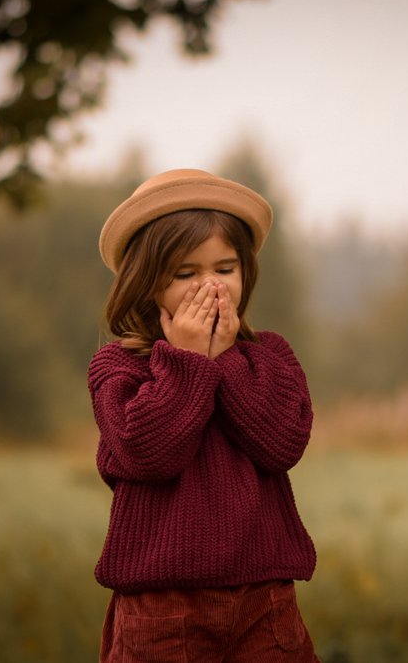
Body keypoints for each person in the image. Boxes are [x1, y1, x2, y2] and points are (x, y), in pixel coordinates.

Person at [89, 169, 319, 662]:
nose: (210, 287)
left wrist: (228, 358)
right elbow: (149, 454)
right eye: (186, 274)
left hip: (265, 597)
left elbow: (284, 442)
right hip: (163, 608)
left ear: (246, 274)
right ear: (148, 285)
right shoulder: (121, 368)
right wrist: (190, 361)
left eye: (225, 268)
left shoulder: (269, 356)